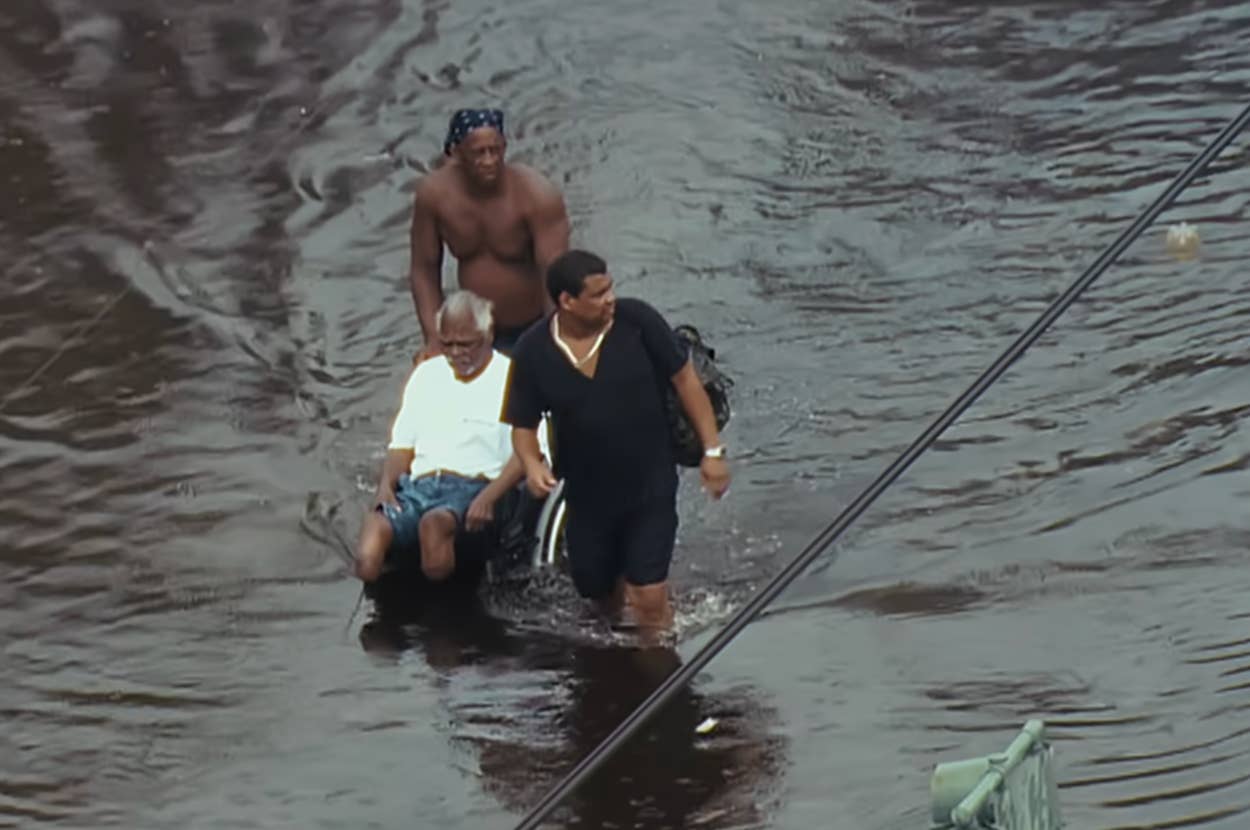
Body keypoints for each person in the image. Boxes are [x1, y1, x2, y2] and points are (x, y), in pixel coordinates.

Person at [502, 249, 732, 639]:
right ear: (567, 301)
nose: (611, 298)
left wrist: (712, 452)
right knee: (597, 592)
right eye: (598, 293)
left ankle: (659, 667)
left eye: (611, 288)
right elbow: (522, 425)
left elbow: (686, 381)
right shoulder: (533, 350)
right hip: (586, 494)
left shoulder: (638, 322)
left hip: (650, 483)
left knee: (647, 595)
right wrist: (532, 463)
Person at [355, 290, 525, 585]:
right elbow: (401, 445)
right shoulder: (427, 374)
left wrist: (489, 496)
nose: (456, 353)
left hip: (478, 489)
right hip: (421, 485)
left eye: (465, 344)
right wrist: (385, 486)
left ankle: (439, 611)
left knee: (433, 526)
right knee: (373, 532)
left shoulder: (515, 377)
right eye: (448, 344)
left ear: (488, 334)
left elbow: (529, 454)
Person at [408, 108, 571, 359]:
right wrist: (434, 337)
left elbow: (554, 272)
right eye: (478, 153)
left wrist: (553, 339)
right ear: (456, 153)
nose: (489, 160)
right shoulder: (434, 196)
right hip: (472, 332)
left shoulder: (536, 195)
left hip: (533, 326)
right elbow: (424, 269)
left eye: (495, 150)